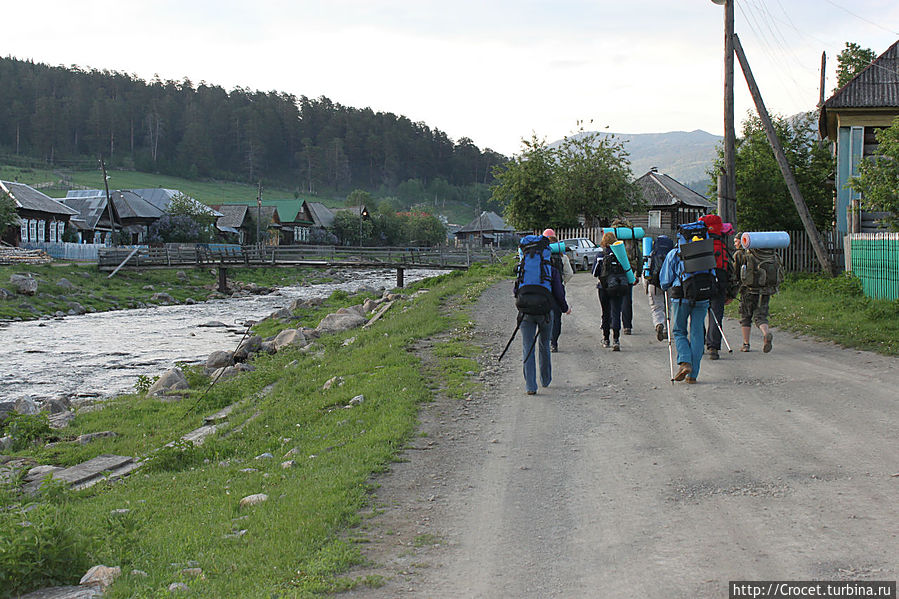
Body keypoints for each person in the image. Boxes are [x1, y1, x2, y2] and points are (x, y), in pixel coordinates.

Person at [514, 238, 570, 395]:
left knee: (527, 347)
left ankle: (531, 387)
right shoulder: (550, 269)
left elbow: (515, 291)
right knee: (545, 345)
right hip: (545, 313)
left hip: (525, 313)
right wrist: (565, 308)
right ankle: (545, 380)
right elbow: (559, 293)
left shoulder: (522, 267)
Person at [659, 229, 713, 384]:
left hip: (680, 297)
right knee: (697, 333)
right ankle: (693, 375)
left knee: (679, 330)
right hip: (702, 296)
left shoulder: (675, 253)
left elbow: (665, 281)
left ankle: (684, 362)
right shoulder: (706, 252)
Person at [732, 234, 781, 354]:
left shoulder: (741, 254)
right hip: (766, 290)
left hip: (748, 290)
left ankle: (746, 344)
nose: (735, 244)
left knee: (745, 316)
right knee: (761, 315)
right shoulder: (769, 254)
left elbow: (734, 273)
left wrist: (732, 290)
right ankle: (766, 333)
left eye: (737, 241)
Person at [698, 214, 733, 360]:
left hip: (700, 279)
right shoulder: (722, 242)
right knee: (716, 315)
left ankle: (699, 345)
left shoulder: (698, 242)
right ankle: (713, 348)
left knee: (698, 314)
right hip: (719, 279)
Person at [593, 231, 627, 351]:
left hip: (603, 288)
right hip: (617, 287)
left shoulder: (600, 255)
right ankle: (616, 339)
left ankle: (606, 338)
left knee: (605, 312)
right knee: (616, 312)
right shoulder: (621, 255)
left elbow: (594, 273)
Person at [542, 228, 573, 352]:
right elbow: (569, 273)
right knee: (557, 317)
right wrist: (562, 282)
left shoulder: (541, 256)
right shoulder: (562, 257)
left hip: (543, 289)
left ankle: (545, 339)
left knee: (544, 314)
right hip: (558, 289)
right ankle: (554, 343)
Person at [610, 218, 642, 335]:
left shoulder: (613, 234)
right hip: (629, 268)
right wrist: (638, 273)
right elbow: (638, 254)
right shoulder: (631, 234)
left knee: (612, 296)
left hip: (613, 269)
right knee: (627, 298)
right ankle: (627, 326)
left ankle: (611, 322)